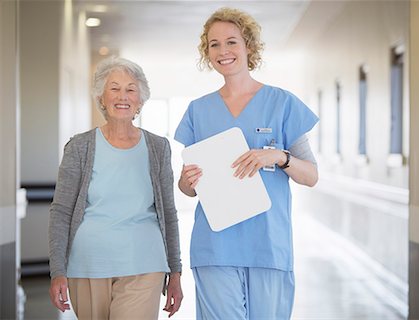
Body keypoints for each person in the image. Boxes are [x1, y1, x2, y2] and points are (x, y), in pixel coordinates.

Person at [174, 7, 319, 320]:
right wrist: (187, 181)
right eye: (214, 44)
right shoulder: (198, 111)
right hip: (214, 246)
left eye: (231, 42)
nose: (223, 51)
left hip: (268, 245)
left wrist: (279, 157)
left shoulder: (282, 103)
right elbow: (187, 189)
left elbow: (311, 176)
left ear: (249, 47)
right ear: (207, 52)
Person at [48, 56, 183, 319]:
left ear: (140, 100)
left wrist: (175, 271)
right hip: (88, 263)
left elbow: (168, 211)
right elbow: (61, 211)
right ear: (101, 97)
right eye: (114, 88)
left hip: (145, 262)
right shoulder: (80, 147)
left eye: (131, 89)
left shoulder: (158, 147)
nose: (123, 96)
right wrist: (57, 271)